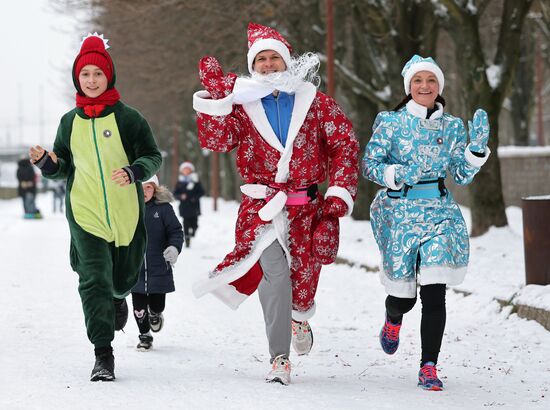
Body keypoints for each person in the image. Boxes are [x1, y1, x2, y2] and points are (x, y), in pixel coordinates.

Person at [192, 23, 359, 385]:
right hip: (260, 208)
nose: (268, 65)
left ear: (286, 60)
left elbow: (344, 145)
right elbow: (218, 141)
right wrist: (214, 98)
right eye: (262, 60)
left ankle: (300, 317)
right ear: (254, 66)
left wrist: (338, 195)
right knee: (276, 275)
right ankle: (279, 358)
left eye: (274, 58)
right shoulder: (243, 104)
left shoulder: (316, 102)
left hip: (307, 209)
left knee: (302, 283)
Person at [29, 33, 161, 381]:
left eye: (97, 74)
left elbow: (152, 156)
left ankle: (119, 297)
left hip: (125, 214)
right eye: (85, 74)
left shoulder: (129, 118)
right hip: (85, 213)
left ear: (108, 76)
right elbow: (62, 168)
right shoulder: (68, 122)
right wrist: (46, 162)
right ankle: (103, 354)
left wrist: (135, 171)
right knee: (93, 281)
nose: (91, 80)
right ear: (78, 78)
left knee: (121, 280)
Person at [362, 55, 491, 391]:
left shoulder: (453, 127)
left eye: (431, 81)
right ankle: (393, 319)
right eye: (418, 81)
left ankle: (428, 366)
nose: (424, 86)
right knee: (405, 297)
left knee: (436, 292)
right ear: (409, 87)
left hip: (440, 213)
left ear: (439, 87)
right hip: (401, 213)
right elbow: (370, 164)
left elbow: (461, 176)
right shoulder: (391, 122)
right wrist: (394, 174)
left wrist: (475, 151)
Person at [131, 174, 183, 351]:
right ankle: (144, 336)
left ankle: (155, 313)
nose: (144, 191)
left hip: (159, 266)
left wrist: (174, 247)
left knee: (157, 303)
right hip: (134, 268)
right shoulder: (127, 208)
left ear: (155, 190)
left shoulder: (163, 209)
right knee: (138, 306)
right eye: (140, 186)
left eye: (148, 187)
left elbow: (176, 231)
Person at [173, 161, 204, 247]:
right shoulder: (180, 181)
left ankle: (193, 231)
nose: (186, 171)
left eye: (188, 169)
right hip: (184, 207)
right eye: (184, 169)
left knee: (194, 223)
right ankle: (187, 240)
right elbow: (175, 193)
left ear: (191, 170)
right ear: (182, 171)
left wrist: (194, 197)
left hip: (194, 207)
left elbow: (201, 192)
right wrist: (180, 196)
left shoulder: (196, 180)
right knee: (186, 224)